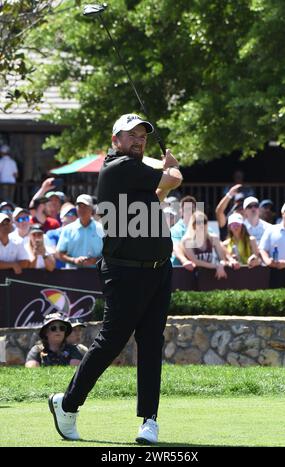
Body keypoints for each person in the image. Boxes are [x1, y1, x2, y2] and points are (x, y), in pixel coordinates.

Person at [48, 113, 182, 444]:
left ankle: (149, 420)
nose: (138, 140)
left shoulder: (134, 176)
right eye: (131, 135)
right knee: (110, 342)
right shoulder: (118, 167)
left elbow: (157, 199)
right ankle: (67, 404)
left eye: (142, 136)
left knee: (151, 343)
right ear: (115, 140)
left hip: (158, 269)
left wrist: (164, 180)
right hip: (125, 272)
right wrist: (173, 166)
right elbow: (174, 179)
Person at [56, 195, 104, 268]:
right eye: (79, 206)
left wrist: (94, 261)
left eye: (85, 206)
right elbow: (59, 254)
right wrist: (74, 260)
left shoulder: (101, 229)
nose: (82, 209)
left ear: (91, 209)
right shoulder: (68, 229)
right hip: (72, 274)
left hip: (96, 274)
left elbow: (108, 255)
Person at [181, 211, 228, 279]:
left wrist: (221, 265)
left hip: (210, 274)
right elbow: (195, 261)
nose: (202, 225)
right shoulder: (187, 241)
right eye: (198, 222)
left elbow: (222, 259)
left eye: (204, 221)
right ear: (193, 225)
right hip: (192, 276)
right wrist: (216, 266)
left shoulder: (213, 238)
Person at [170, 195, 197, 270]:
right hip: (179, 269)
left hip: (198, 268)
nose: (189, 211)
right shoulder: (175, 230)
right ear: (181, 211)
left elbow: (214, 239)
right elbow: (175, 247)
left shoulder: (202, 227)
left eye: (192, 209)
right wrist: (185, 261)